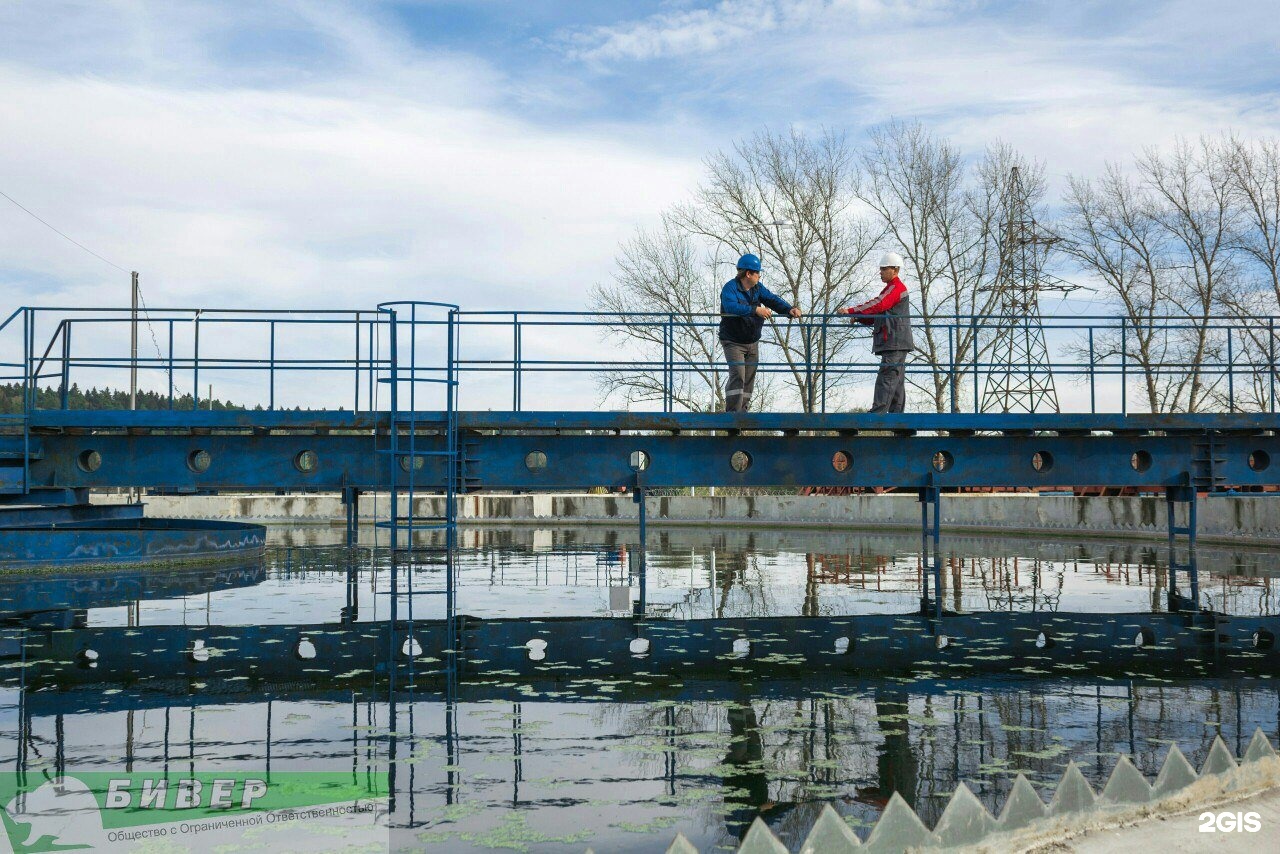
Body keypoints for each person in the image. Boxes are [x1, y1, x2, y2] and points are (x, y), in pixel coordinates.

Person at [719, 254, 801, 412]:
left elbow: (772, 299)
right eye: (757, 272)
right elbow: (731, 308)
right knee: (738, 374)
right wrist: (755, 309)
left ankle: (742, 413)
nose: (760, 275)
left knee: (749, 377)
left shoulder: (758, 288)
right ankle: (732, 415)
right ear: (748, 274)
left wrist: (789, 309)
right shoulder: (730, 288)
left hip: (752, 341)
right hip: (733, 341)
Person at [844, 252, 914, 413]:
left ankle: (878, 412)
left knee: (888, 375)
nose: (880, 272)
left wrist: (852, 311)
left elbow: (879, 305)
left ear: (895, 270)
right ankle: (897, 416)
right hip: (896, 340)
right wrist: (860, 318)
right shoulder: (890, 289)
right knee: (896, 378)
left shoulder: (896, 288)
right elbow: (878, 314)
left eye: (884, 268)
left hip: (894, 340)